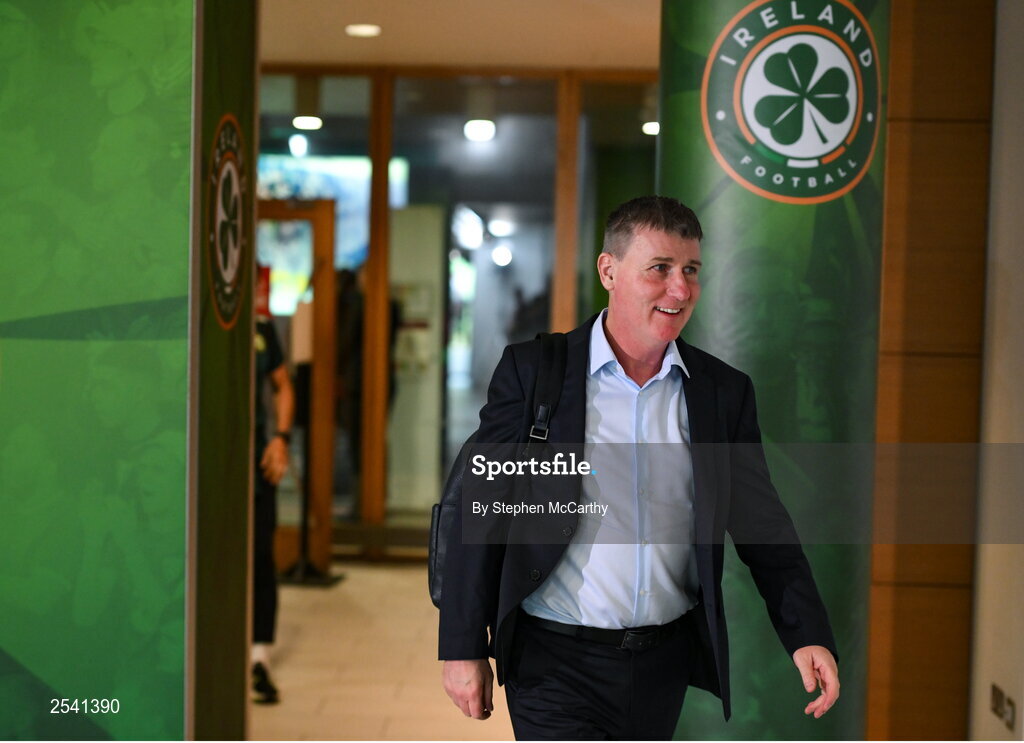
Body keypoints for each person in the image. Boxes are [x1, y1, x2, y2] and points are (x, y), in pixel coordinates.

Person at [438, 196, 839, 740]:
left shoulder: (721, 393)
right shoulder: (535, 374)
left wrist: (806, 633)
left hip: (662, 663)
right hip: (554, 661)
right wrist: (462, 647)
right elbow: (479, 513)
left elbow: (762, 525)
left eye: (691, 270)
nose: (680, 289)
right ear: (609, 270)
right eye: (660, 269)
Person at [252, 269, 295, 704]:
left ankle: (258, 656)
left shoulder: (262, 331)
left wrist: (280, 439)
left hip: (255, 461)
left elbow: (283, 386)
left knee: (260, 555)